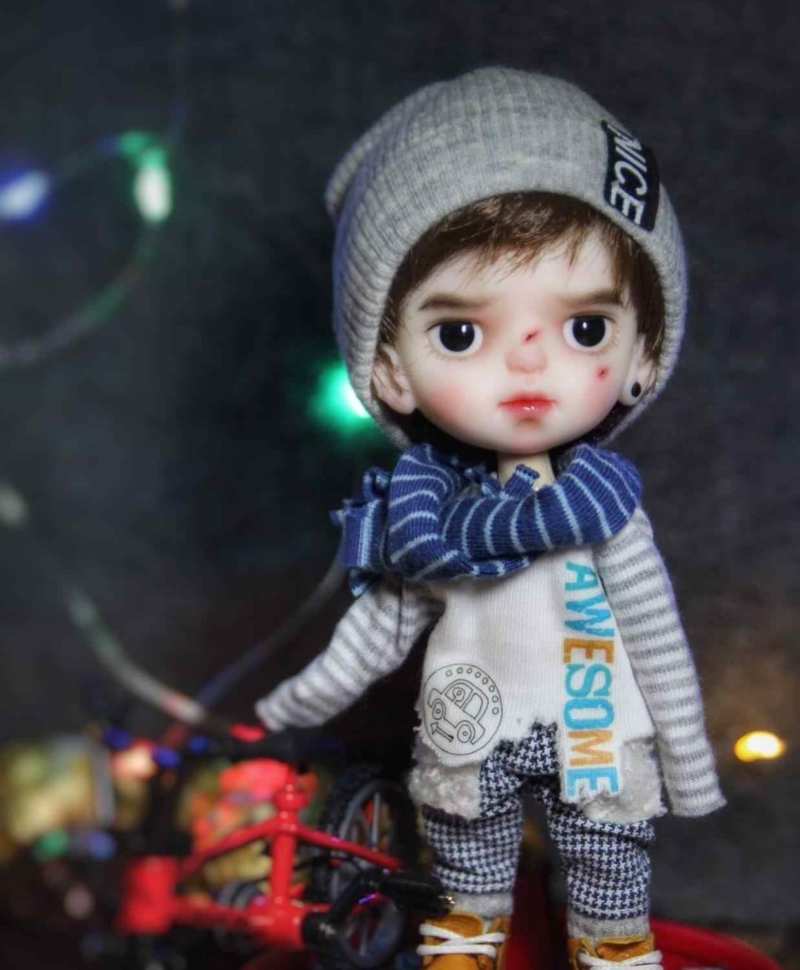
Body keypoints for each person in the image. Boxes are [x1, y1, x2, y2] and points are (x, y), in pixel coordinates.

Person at [256, 68, 725, 970]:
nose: (529, 363)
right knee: (467, 882)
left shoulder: (606, 511)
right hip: (471, 732)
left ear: (642, 353)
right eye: (461, 334)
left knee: (609, 879)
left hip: (597, 731)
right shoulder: (426, 520)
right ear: (390, 370)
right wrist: (299, 702)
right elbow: (381, 626)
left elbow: (655, 635)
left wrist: (687, 759)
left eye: (586, 328)